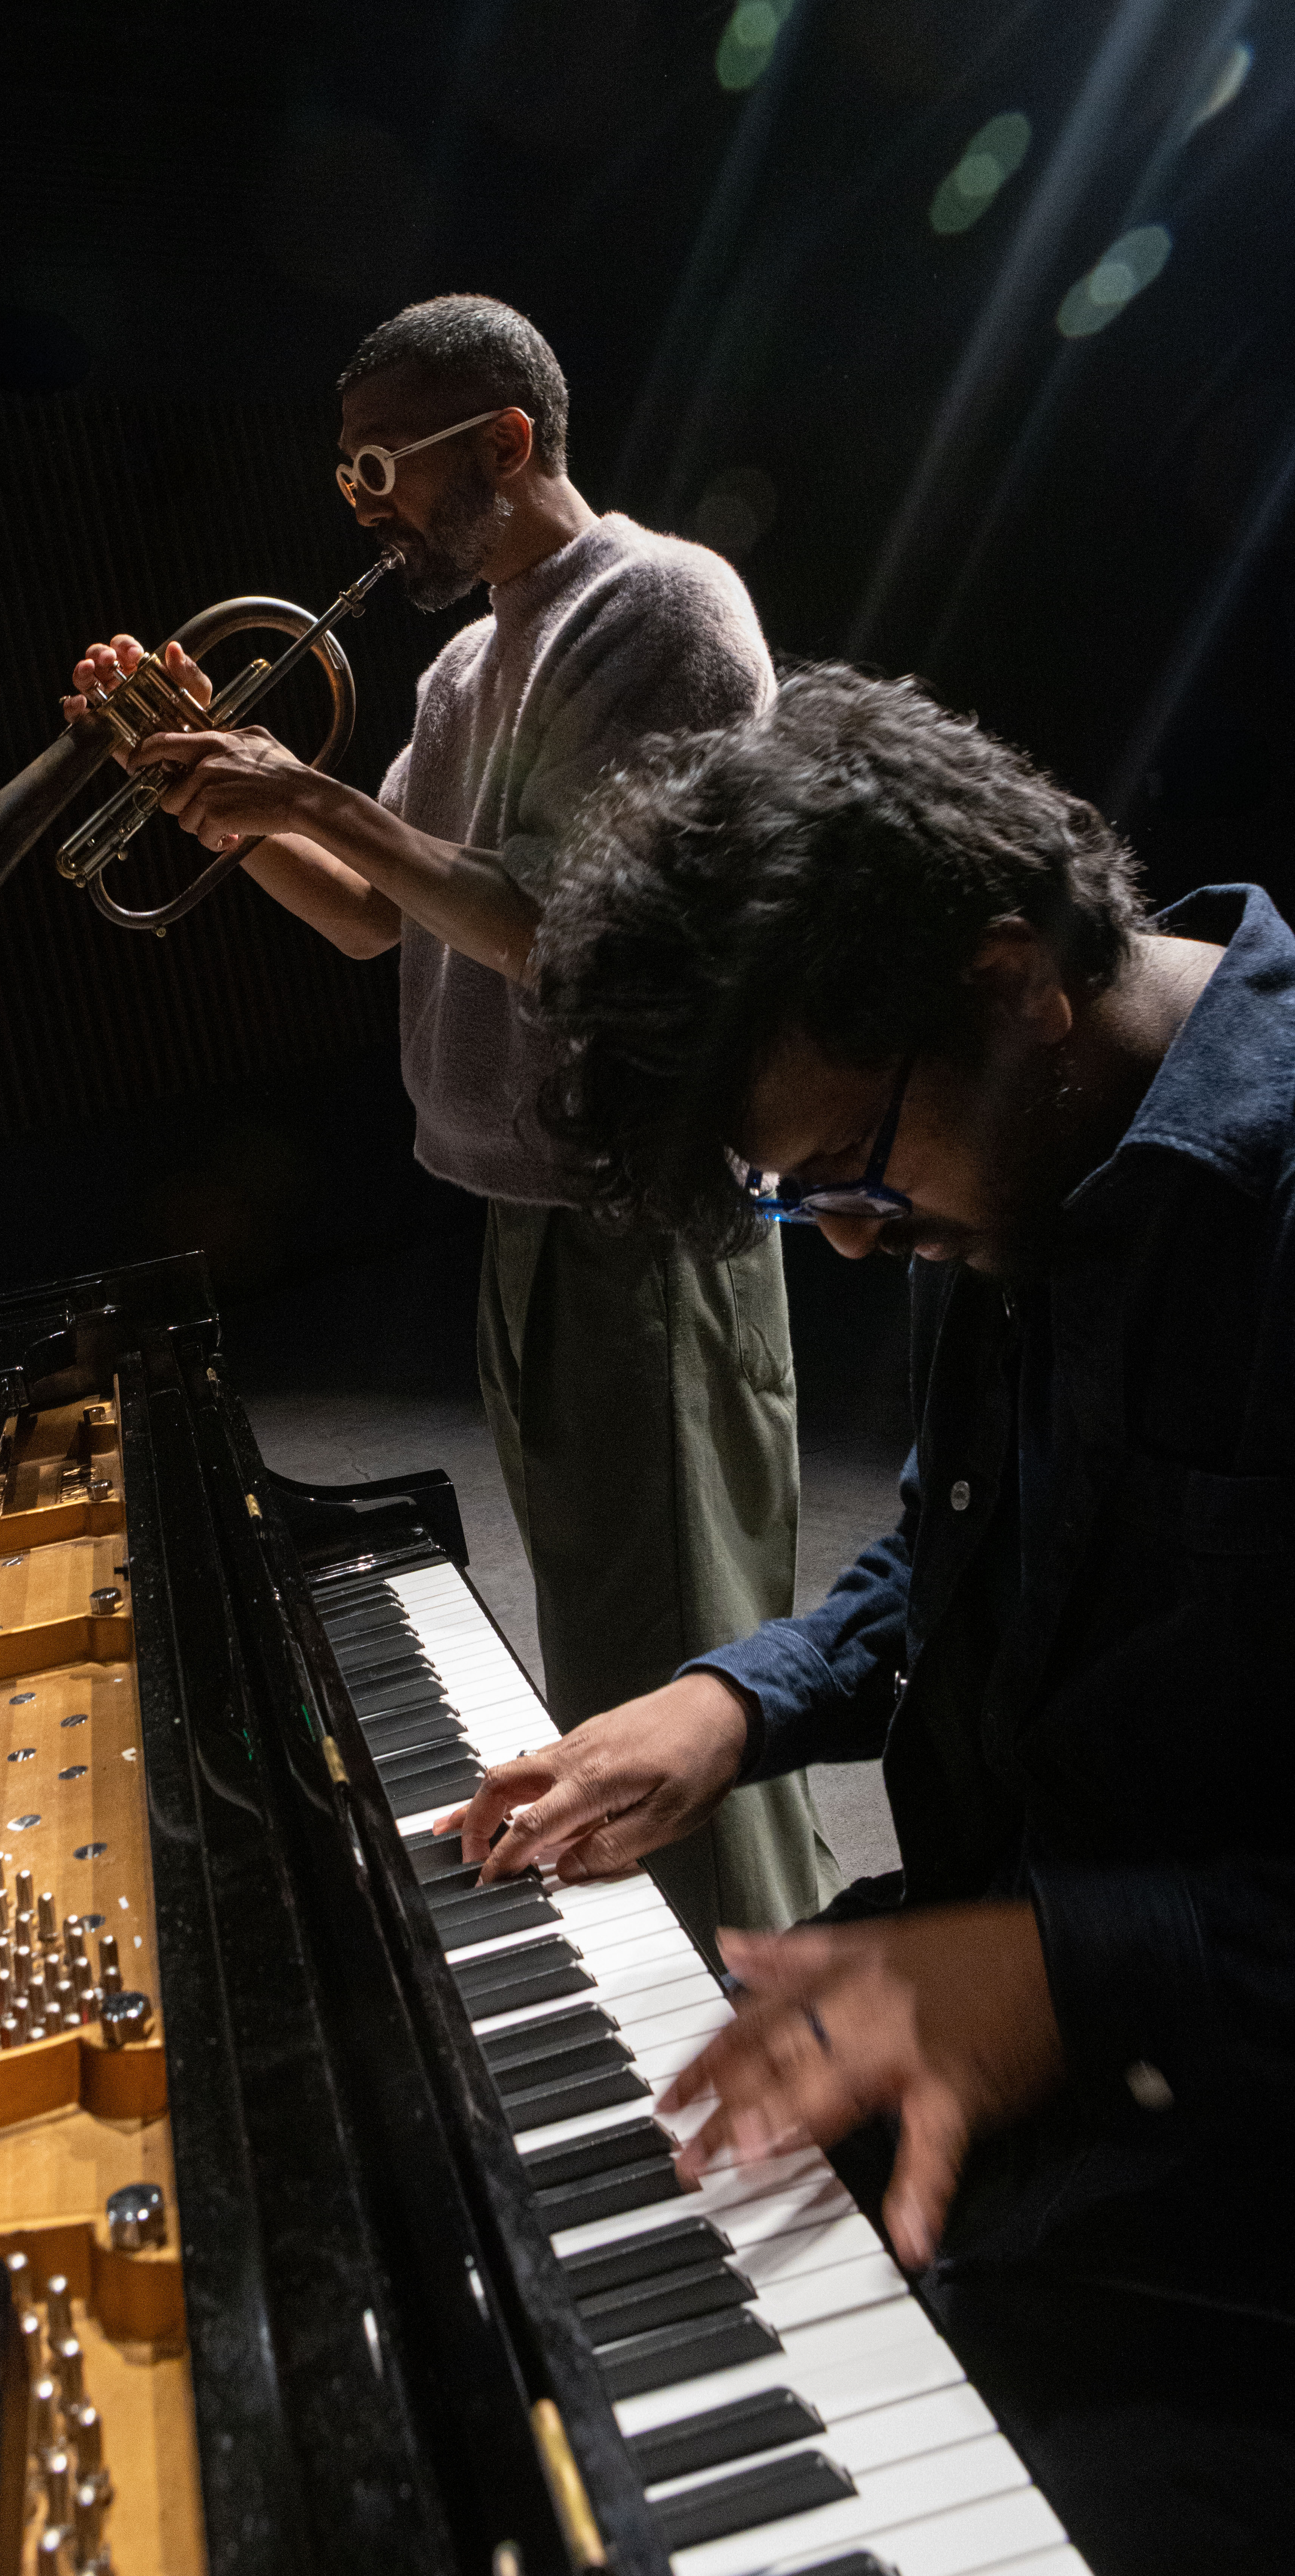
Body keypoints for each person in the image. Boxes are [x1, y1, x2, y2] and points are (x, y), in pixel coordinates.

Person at [447, 660, 1295, 2576]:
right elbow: (967, 1544)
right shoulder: (1024, 1153)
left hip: (1241, 2200)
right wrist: (741, 1701)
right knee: (516, 2275)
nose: (843, 1240)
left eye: (844, 1178)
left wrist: (1074, 1968)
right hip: (1043, 2058)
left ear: (1008, 983)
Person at [63, 293, 833, 1945]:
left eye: (379, 468)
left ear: (501, 441)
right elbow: (367, 909)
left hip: (647, 1230)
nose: (359, 508)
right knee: (617, 1661)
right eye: (345, 478)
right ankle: (725, 2006)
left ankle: (770, 2024)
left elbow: (583, 931)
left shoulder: (658, 607)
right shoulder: (471, 659)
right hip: (529, 1228)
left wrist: (304, 786)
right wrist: (202, 791)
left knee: (680, 1694)